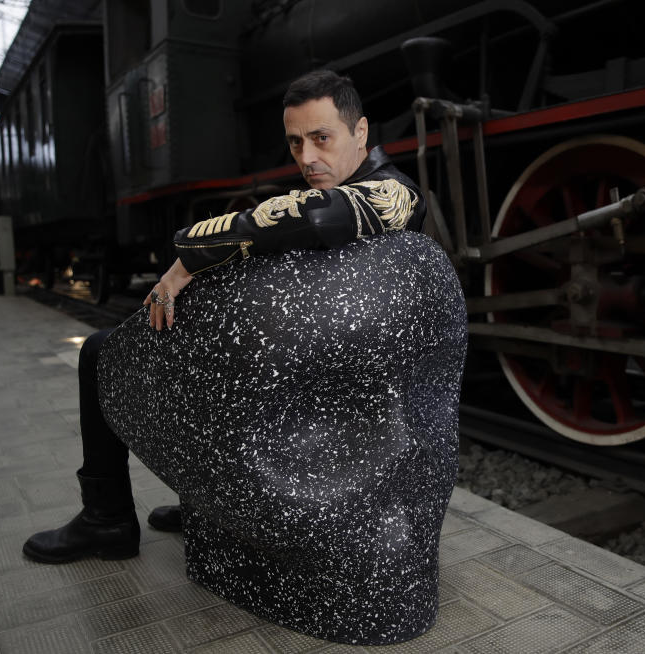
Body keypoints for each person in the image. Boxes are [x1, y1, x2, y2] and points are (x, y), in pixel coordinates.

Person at [23, 69, 427, 563]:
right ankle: (207, 505)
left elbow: (316, 214)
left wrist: (187, 256)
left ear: (361, 132)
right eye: (295, 143)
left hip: (339, 403)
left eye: (322, 138)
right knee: (144, 351)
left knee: (100, 352)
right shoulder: (357, 183)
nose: (307, 158)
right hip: (308, 374)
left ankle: (107, 519)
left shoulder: (395, 194)